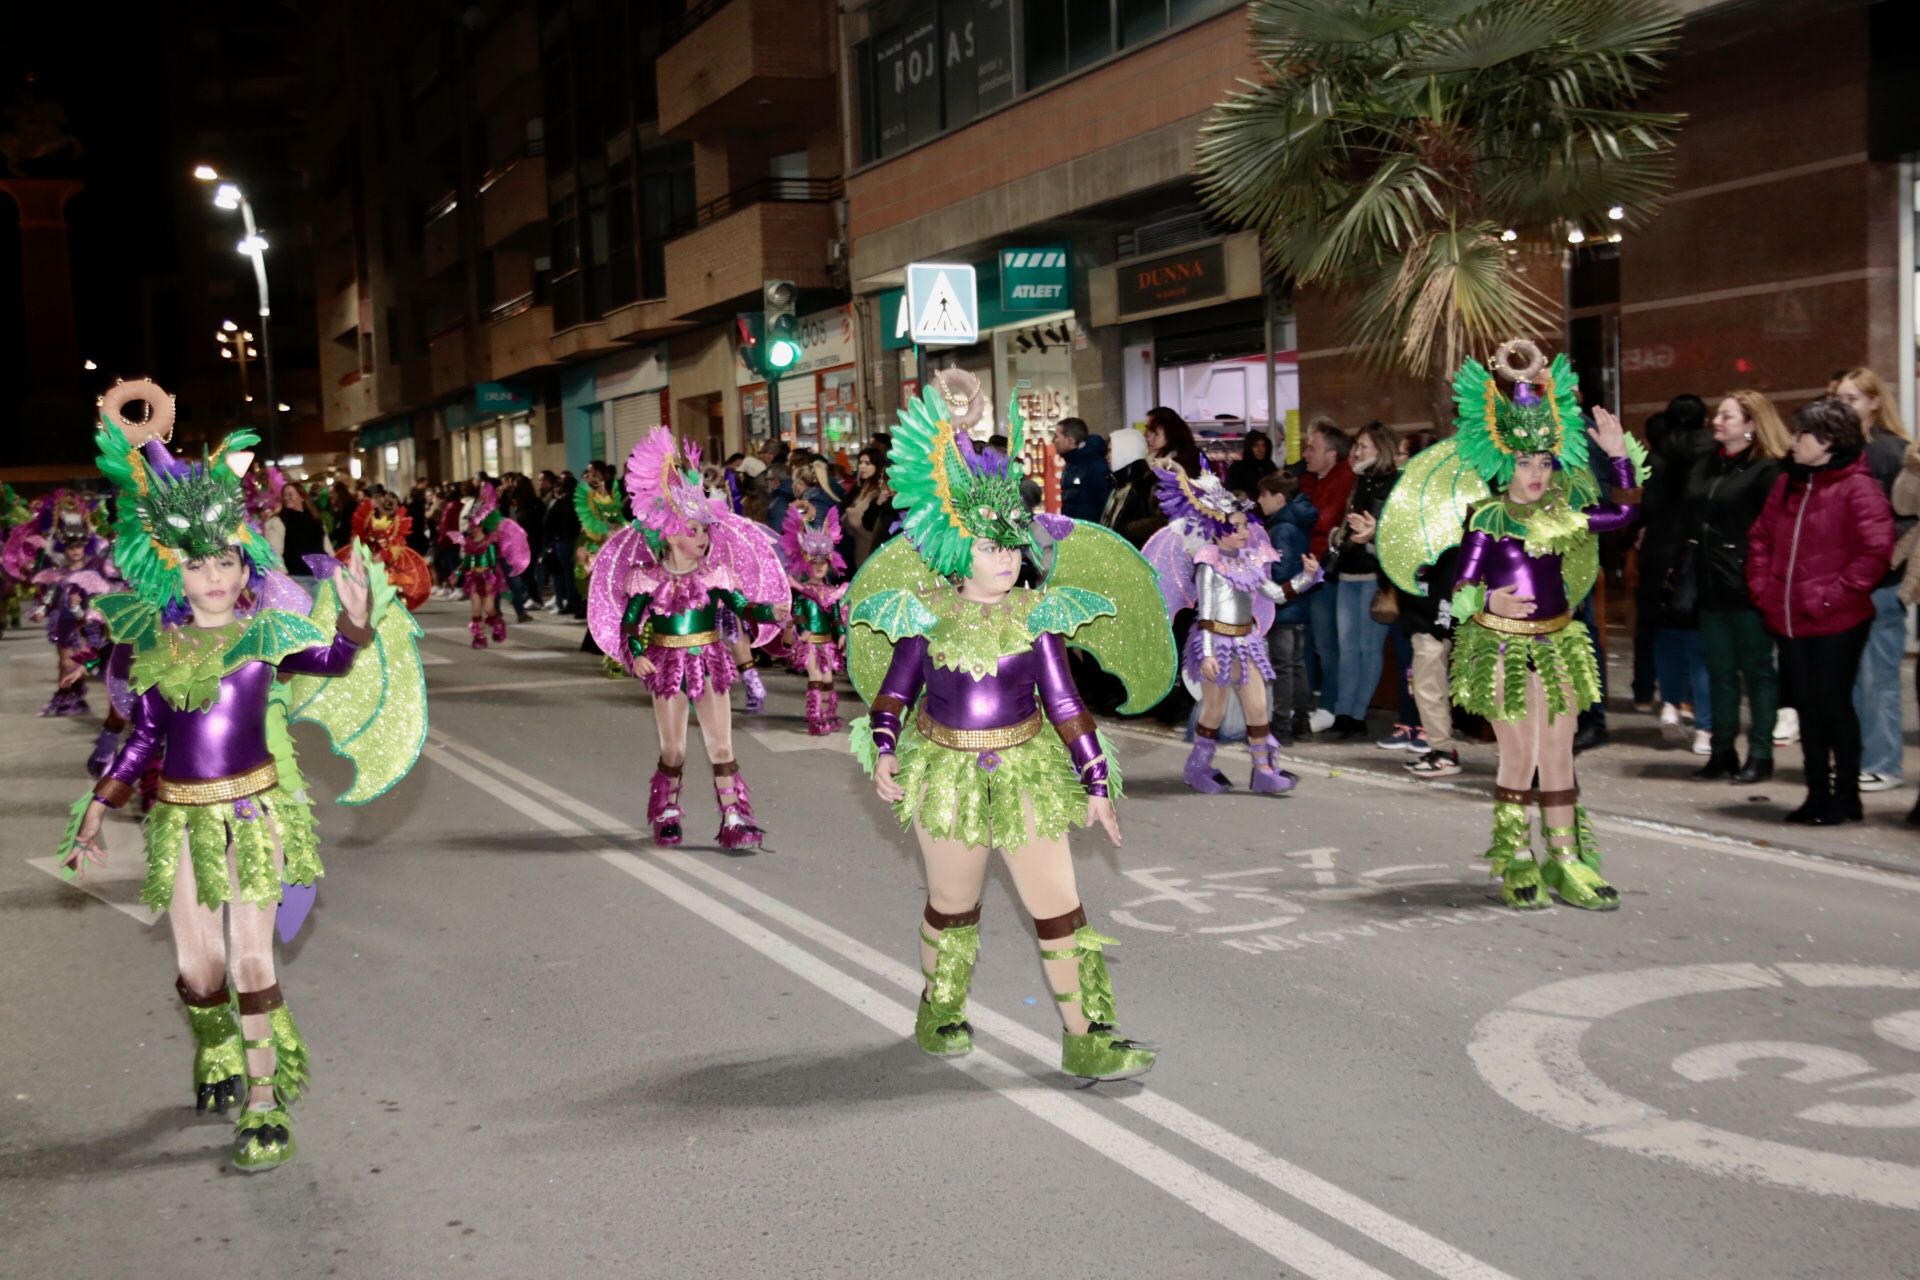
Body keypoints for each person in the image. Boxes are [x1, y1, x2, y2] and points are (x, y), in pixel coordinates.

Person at [65, 378, 426, 1172]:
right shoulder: (157, 651)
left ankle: (264, 1099)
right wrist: (100, 804)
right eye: (199, 569)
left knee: (254, 960)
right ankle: (216, 1045)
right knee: (199, 969)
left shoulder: (267, 635)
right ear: (174, 576)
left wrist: (359, 617)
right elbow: (145, 735)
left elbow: (333, 656)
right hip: (182, 818)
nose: (217, 578)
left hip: (259, 815)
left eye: (227, 561)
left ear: (243, 562)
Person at [847, 383, 1176, 1080]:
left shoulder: (1039, 616)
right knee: (953, 906)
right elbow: (895, 695)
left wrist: (1095, 780)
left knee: (1060, 906)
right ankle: (939, 1009)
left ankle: (1087, 1034)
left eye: (1013, 545)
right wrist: (882, 748)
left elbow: (1064, 704)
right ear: (956, 548)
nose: (1007, 556)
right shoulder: (924, 614)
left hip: (1026, 769)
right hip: (946, 776)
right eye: (991, 546)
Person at [1383, 340, 1646, 910]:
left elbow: (1626, 512)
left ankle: (1568, 859)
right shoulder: (1488, 519)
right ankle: (1517, 857)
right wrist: (1489, 605)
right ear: (1505, 463)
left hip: (1558, 644)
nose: (1535, 472)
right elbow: (1455, 592)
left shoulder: (1564, 512)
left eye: (1545, 462)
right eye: (1525, 462)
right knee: (1519, 754)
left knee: (1558, 753)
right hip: (1500, 648)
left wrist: (1617, 453)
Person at [586, 429, 788, 848]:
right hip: (666, 666)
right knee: (674, 750)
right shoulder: (644, 578)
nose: (703, 537)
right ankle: (666, 811)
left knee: (721, 745)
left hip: (710, 661)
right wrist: (637, 654)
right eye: (695, 529)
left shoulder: (715, 574)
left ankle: (735, 818)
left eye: (705, 530)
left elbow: (742, 607)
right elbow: (630, 625)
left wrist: (773, 612)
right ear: (672, 533)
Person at [1747, 396, 1896, 825]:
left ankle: (1846, 797)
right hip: (1789, 617)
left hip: (1838, 619)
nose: (1793, 441)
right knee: (1807, 708)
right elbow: (1760, 538)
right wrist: (1763, 588)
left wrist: (1826, 597)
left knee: (1832, 705)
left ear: (1828, 441)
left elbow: (1875, 552)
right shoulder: (1789, 483)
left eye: (1801, 434)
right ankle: (1816, 794)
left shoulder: (1857, 487)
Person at [1146, 467, 1321, 794]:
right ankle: (1198, 767)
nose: (1245, 532)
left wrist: (1307, 577)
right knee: (1214, 709)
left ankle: (1264, 770)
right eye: (1237, 527)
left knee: (1257, 707)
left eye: (1245, 525)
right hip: (1216, 644)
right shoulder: (1209, 564)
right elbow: (1208, 614)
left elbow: (1276, 594)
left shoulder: (1249, 560)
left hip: (1246, 642)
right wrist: (1209, 654)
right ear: (1219, 530)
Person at [1686, 391, 1788, 782]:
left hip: (1750, 587)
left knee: (1758, 671)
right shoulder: (1708, 464)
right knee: (1720, 670)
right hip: (1711, 584)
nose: (1717, 421)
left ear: (1751, 424)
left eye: (1727, 416)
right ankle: (1722, 751)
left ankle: (1760, 753)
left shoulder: (1768, 470)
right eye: (1717, 414)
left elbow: (1773, 531)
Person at [1834, 367, 1912, 795]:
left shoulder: (1890, 452)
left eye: (1852, 399)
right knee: (1851, 679)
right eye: (1839, 399)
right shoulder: (1846, 450)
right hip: (1847, 584)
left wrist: (1874, 566)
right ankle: (1863, 758)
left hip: (1879, 585)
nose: (1844, 406)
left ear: (1874, 402)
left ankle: (1883, 762)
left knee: (1877, 677)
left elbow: (1904, 521)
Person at [1641, 394, 1717, 752]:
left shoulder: (1657, 458)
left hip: (1660, 549)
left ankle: (1670, 705)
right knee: (1700, 642)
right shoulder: (1714, 454)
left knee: (1665, 634)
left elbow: (1649, 505)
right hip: (1697, 551)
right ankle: (1705, 725)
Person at [1326, 422, 1399, 739]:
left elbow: (1398, 532)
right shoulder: (1359, 481)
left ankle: (1357, 714)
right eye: (1356, 446)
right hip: (1347, 571)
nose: (1356, 452)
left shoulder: (1395, 482)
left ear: (1380, 448)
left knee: (1368, 648)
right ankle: (1343, 712)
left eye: (1363, 446)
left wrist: (1373, 533)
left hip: (1374, 574)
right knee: (1347, 647)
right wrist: (1339, 537)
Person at [1297, 420, 1354, 727]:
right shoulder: (1309, 478)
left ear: (1331, 454)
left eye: (1313, 447)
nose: (1306, 453)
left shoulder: (1343, 477)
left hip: (1325, 571)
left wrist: (1300, 515)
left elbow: (1324, 519)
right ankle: (1304, 704)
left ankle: (1330, 706)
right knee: (1303, 642)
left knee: (1326, 644)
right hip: (1304, 569)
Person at [1255, 470, 1319, 742]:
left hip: (1283, 607)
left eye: (1264, 495)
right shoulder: (1294, 523)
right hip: (1298, 604)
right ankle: (1300, 719)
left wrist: (1258, 564)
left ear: (1279, 498)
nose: (1259, 500)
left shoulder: (1280, 528)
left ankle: (1282, 724)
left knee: (1283, 667)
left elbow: (1280, 571)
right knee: (1296, 664)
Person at [780, 499, 849, 735]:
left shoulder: (833, 592)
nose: (819, 567)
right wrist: (801, 632)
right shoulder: (801, 591)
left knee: (828, 678)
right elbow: (797, 613)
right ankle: (815, 717)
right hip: (810, 643)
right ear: (805, 563)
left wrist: (841, 636)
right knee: (816, 677)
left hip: (827, 643)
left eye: (824, 562)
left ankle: (828, 714)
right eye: (815, 562)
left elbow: (838, 617)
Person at [454, 480, 532, 648]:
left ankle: (498, 624)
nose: (472, 528)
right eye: (471, 526)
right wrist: (457, 573)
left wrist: (487, 573)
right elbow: (467, 562)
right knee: (475, 610)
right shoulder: (470, 544)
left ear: (482, 527)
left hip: (488, 578)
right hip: (474, 579)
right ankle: (479, 638)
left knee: (489, 609)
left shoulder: (488, 544)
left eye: (475, 526)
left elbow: (490, 563)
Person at [336, 488, 432, 611]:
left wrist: (389, 551)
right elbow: (359, 537)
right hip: (369, 558)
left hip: (388, 561)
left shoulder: (397, 522)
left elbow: (397, 542)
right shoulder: (368, 519)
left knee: (391, 586)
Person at [840, 444, 895, 570]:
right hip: (857, 548)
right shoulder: (859, 488)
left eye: (867, 463)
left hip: (872, 551)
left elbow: (859, 521)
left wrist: (849, 513)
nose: (862, 466)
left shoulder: (879, 492)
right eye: (860, 462)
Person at [1102, 426, 1157, 545]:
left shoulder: (1144, 486)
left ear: (1125, 451)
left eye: (1111, 451)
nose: (1107, 457)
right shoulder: (1120, 483)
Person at [1052, 417, 1112, 522]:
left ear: (1070, 440)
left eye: (1056, 436)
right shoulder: (1071, 464)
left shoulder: (1095, 465)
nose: (1053, 441)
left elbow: (1105, 506)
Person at [1226, 430, 1279, 498]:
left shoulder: (1271, 467)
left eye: (1263, 446)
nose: (1260, 450)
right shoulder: (1237, 468)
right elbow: (1232, 492)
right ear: (1249, 448)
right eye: (1256, 446)